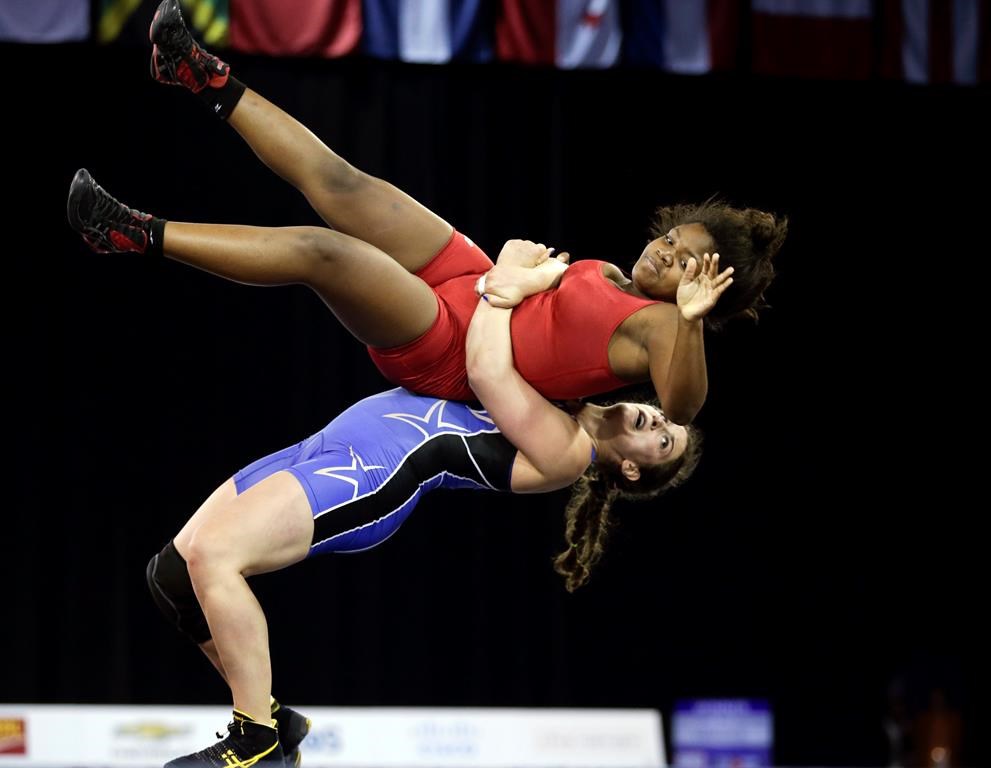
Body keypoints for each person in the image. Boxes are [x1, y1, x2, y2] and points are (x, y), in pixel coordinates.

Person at [75, 0, 788, 426]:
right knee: (343, 183)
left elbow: (685, 409)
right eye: (668, 236)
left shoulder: (664, 330)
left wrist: (691, 321)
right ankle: (200, 75)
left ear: (705, 283)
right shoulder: (611, 273)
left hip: (449, 347)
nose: (660, 250)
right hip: (472, 283)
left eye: (679, 257)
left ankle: (130, 232)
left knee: (324, 253)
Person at [143, 239, 701, 766]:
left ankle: (255, 739)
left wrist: (508, 277)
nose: (659, 419)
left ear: (632, 468)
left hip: (372, 474)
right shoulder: (570, 386)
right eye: (665, 418)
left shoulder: (571, 453)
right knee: (171, 574)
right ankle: (277, 725)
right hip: (330, 443)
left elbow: (485, 367)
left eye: (664, 439)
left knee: (216, 555)